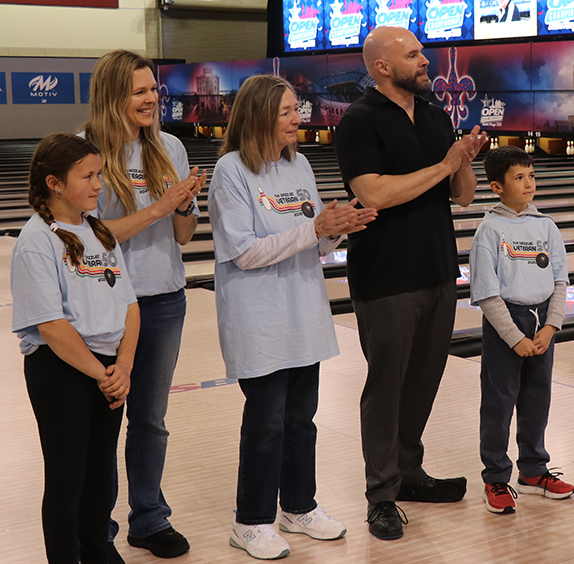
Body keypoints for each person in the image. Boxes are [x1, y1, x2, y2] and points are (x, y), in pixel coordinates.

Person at [208, 74, 376, 560]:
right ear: (259, 116)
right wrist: (315, 228)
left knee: (301, 420)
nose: (298, 118)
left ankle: (298, 508)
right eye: (286, 111)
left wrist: (338, 229)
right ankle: (250, 521)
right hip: (258, 318)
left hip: (304, 313)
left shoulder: (298, 164)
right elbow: (243, 252)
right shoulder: (231, 172)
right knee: (267, 424)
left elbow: (315, 240)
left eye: (296, 109)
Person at [334, 25, 489, 540]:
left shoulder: (435, 114)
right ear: (382, 67)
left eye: (422, 52)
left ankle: (408, 473)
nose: (425, 60)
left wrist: (462, 162)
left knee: (422, 382)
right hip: (386, 275)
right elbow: (373, 193)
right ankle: (381, 495)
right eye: (413, 54)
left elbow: (462, 195)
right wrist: (444, 164)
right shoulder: (359, 120)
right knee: (386, 388)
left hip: (438, 269)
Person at [83, 49, 206, 560]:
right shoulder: (86, 150)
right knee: (104, 422)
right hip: (105, 306)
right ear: (114, 96)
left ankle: (149, 519)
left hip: (163, 299)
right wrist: (159, 206)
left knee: (150, 420)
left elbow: (183, 235)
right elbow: (90, 235)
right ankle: (98, 529)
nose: (152, 98)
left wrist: (185, 203)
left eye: (154, 89)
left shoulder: (170, 147)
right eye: (140, 91)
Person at [12, 133, 139, 564]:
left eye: (98, 174)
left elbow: (130, 305)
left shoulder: (97, 229)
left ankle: (97, 549)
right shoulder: (37, 240)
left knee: (101, 472)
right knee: (67, 479)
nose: (98, 184)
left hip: (109, 369)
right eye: (87, 176)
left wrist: (123, 365)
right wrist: (103, 373)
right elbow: (51, 325)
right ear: (55, 183)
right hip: (61, 369)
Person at [469, 146, 574, 515]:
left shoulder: (546, 226)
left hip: (542, 320)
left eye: (531, 175)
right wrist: (514, 337)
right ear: (497, 187)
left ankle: (532, 470)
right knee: (498, 404)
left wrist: (551, 326)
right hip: (506, 322)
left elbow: (560, 280)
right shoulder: (489, 230)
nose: (529, 183)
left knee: (536, 398)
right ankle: (496, 477)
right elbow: (486, 293)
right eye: (519, 177)